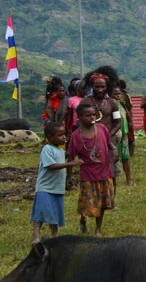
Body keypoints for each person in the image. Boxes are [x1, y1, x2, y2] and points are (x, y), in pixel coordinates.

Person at [66, 101, 116, 236]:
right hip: (88, 175)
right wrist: (69, 177)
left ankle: (98, 229)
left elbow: (109, 143)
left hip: (104, 172)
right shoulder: (76, 136)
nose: (92, 118)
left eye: (93, 115)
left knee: (102, 203)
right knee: (87, 204)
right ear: (80, 117)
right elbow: (70, 157)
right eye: (88, 115)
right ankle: (83, 219)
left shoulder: (102, 129)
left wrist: (114, 149)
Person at [30, 122, 82, 244]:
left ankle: (54, 236)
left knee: (55, 214)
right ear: (50, 137)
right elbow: (51, 166)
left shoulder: (60, 151)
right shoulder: (47, 149)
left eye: (64, 134)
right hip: (45, 188)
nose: (64, 137)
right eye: (60, 135)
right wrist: (71, 163)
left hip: (57, 188)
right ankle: (36, 237)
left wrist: (67, 180)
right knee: (41, 212)